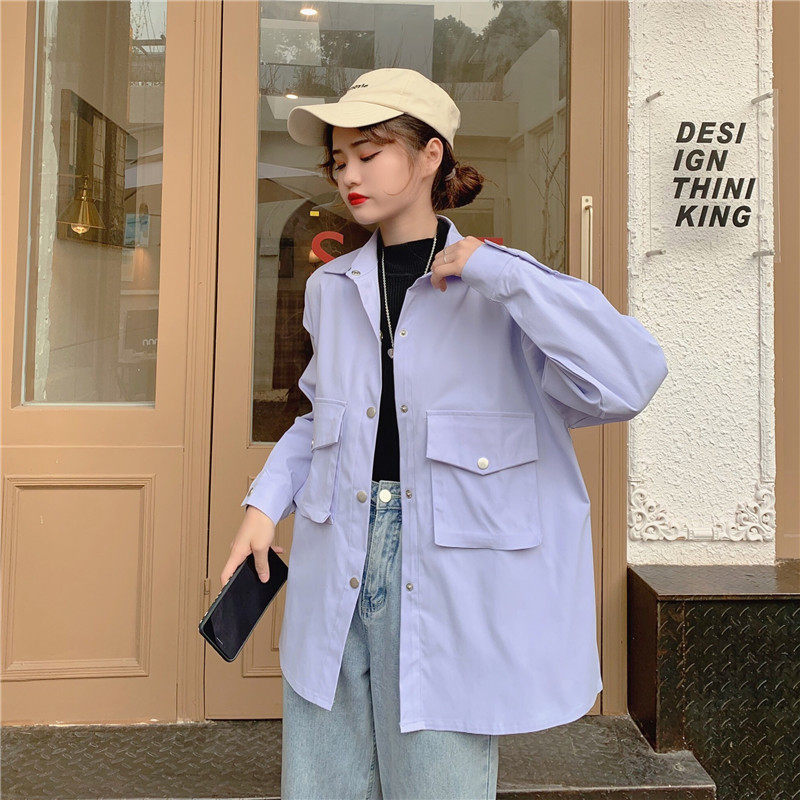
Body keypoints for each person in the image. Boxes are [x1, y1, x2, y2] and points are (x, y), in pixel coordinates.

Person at [221, 68, 668, 800]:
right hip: (339, 553)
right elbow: (321, 418)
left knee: (437, 782)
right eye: (339, 160)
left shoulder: (501, 289)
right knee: (323, 780)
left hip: (446, 570)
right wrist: (263, 505)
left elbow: (630, 378)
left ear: (431, 155)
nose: (349, 175)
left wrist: (503, 273)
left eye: (369, 154)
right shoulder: (330, 289)